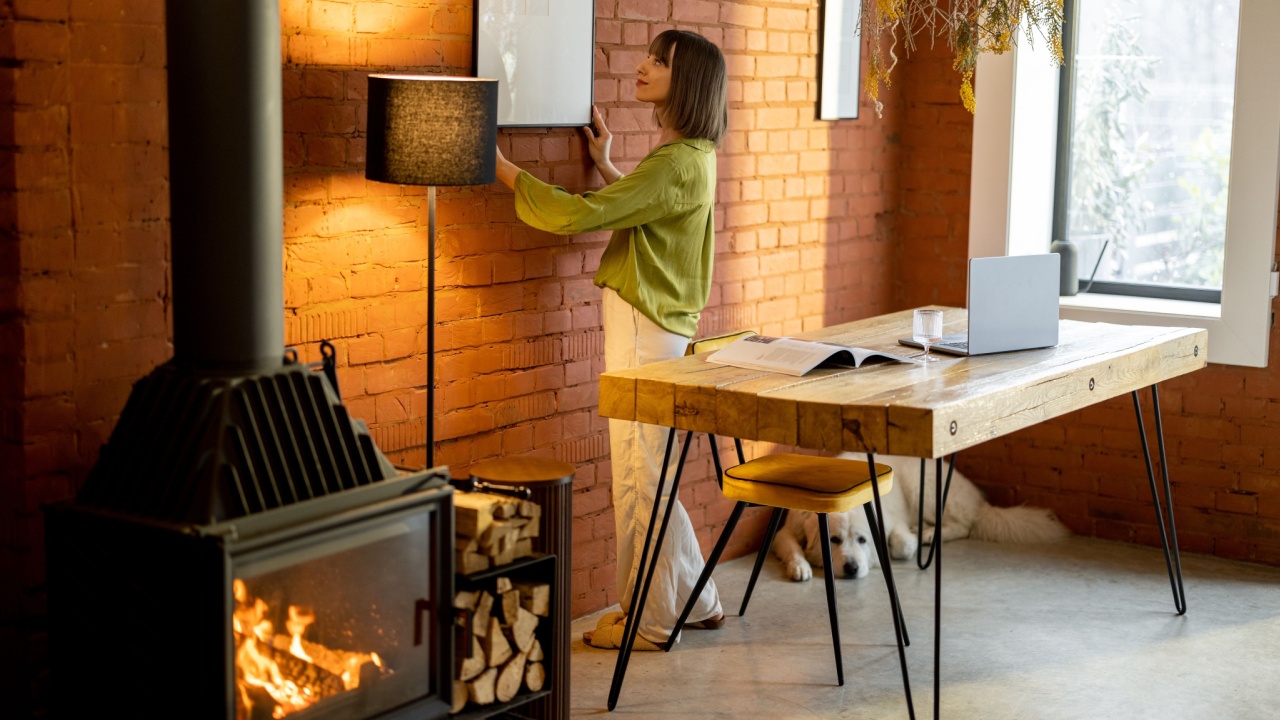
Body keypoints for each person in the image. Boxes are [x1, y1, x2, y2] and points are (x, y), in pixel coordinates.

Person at [494, 29, 728, 651]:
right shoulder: (695, 156)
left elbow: (580, 214)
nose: (642, 65)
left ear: (689, 82)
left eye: (659, 60)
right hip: (666, 332)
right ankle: (699, 598)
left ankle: (648, 623)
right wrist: (606, 165)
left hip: (642, 330)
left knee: (637, 475)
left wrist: (495, 165)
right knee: (651, 473)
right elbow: (649, 207)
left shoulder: (675, 163)